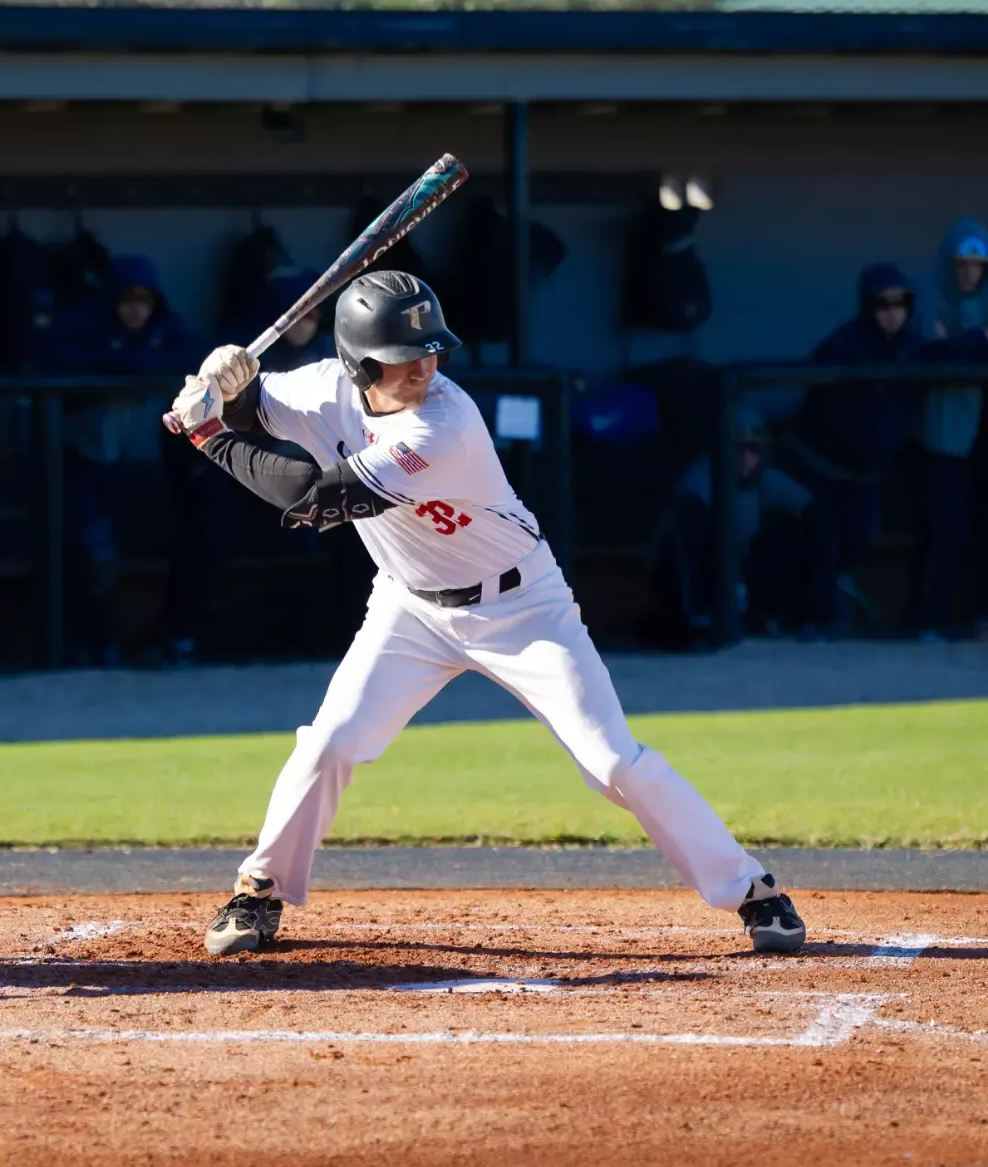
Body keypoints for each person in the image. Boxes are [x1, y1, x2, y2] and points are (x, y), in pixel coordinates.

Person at [167, 271, 805, 959]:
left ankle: (752, 888)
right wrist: (225, 388)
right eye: (404, 357)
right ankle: (259, 888)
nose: (425, 367)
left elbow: (314, 497)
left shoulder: (445, 422)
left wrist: (209, 434)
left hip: (523, 607)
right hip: (408, 607)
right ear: (360, 365)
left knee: (613, 761)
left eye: (431, 351)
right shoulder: (322, 388)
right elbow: (258, 406)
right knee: (328, 744)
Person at [53, 256, 197, 666]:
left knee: (110, 550)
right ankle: (90, 645)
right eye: (128, 301)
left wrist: (143, 361)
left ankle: (107, 644)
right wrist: (122, 362)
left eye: (144, 302)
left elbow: (194, 354)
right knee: (87, 551)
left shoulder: (162, 331)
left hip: (118, 462)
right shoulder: (82, 326)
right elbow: (56, 358)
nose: (136, 310)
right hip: (71, 459)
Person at [796, 264, 928, 632]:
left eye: (900, 302)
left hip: (865, 472)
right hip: (824, 466)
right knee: (823, 543)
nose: (892, 311)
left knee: (862, 535)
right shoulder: (844, 345)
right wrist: (856, 447)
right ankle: (817, 620)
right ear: (868, 306)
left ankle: (831, 607)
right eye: (883, 303)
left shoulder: (913, 347)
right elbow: (820, 413)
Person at [647, 409, 837, 647]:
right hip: (684, 577)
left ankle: (811, 617)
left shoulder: (765, 480)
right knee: (691, 526)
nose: (747, 458)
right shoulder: (703, 474)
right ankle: (699, 620)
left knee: (811, 530)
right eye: (739, 449)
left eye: (754, 449)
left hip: (738, 577)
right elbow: (687, 520)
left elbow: (813, 511)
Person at [910, 220, 987, 639]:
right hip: (934, 437)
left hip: (978, 436)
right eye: (961, 264)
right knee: (948, 529)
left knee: (976, 528)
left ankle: (978, 617)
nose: (969, 274)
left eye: (978, 266)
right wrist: (978, 337)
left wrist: (963, 337)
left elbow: (958, 346)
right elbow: (935, 352)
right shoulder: (926, 290)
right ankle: (929, 621)